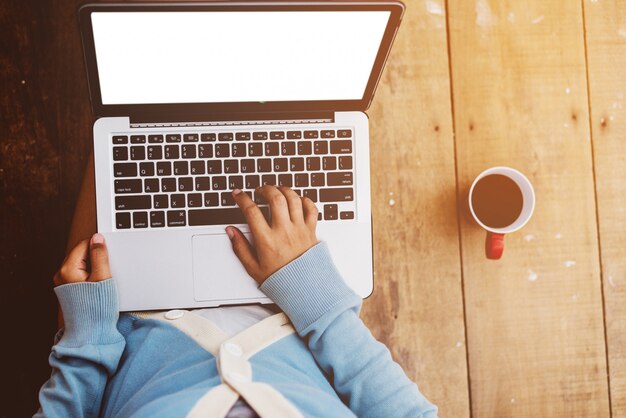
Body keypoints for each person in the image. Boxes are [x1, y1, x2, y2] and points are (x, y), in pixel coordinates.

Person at [35, 162, 437, 417]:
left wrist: (87, 338)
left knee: (117, 136)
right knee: (322, 137)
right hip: (299, 302)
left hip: (121, 317)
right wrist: (311, 288)